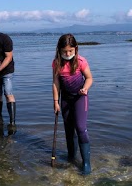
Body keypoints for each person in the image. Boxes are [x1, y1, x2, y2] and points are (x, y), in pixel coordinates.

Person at [52, 34, 93, 175]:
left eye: (70, 51)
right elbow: (56, 83)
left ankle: (86, 162)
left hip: (80, 97)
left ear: (75, 48)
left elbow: (89, 78)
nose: (67, 54)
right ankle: (71, 158)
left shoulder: (81, 61)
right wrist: (56, 102)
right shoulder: (56, 63)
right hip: (65, 99)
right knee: (69, 130)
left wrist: (85, 88)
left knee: (80, 128)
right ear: (59, 50)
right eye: (64, 51)